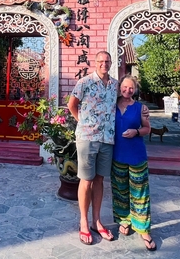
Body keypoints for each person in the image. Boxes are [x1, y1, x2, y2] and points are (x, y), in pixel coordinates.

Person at [68, 51, 118, 245]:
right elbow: (72, 105)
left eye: (107, 61)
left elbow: (123, 102)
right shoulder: (85, 82)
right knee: (86, 180)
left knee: (99, 179)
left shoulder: (115, 85)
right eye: (100, 61)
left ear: (111, 63)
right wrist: (83, 122)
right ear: (94, 63)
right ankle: (83, 221)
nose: (104, 64)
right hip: (88, 137)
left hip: (107, 139)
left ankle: (97, 221)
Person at [112, 74, 156, 251]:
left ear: (135, 90)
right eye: (124, 87)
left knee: (140, 194)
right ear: (119, 87)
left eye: (131, 88)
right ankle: (124, 220)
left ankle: (143, 228)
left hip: (136, 156)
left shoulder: (140, 108)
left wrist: (136, 132)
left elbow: (147, 129)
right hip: (117, 156)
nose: (127, 90)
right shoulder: (111, 106)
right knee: (120, 191)